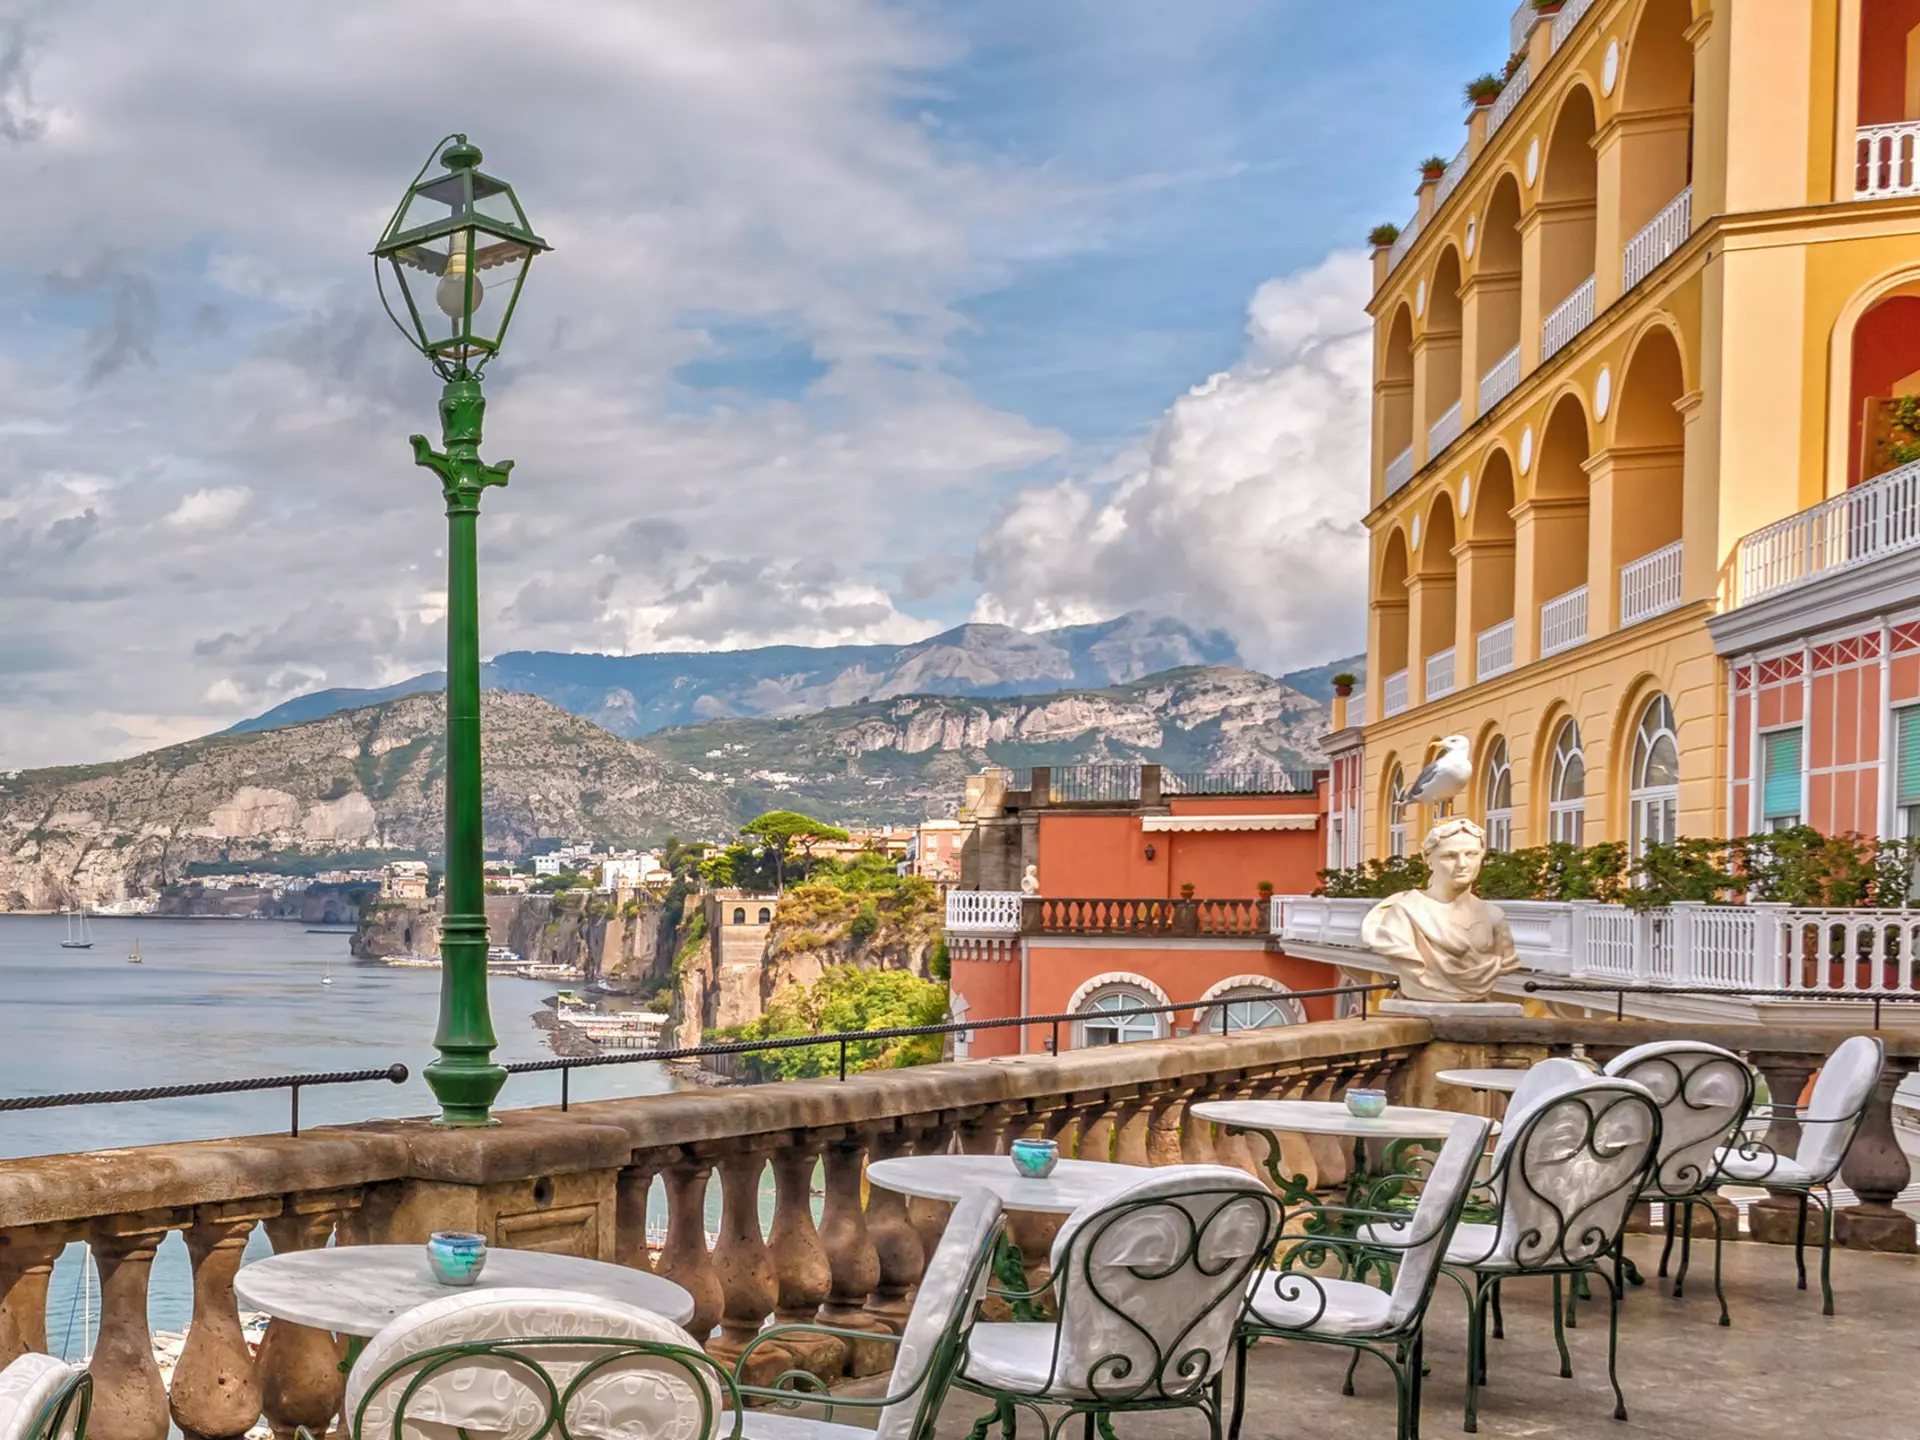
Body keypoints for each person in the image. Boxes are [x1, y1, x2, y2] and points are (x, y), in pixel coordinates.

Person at [1359, 817, 1519, 1003]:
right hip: (1424, 1002)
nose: (1462, 864)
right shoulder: (1405, 913)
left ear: (1481, 856)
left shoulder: (1494, 917)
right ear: (1427, 859)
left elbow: (1507, 961)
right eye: (1449, 856)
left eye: (1471, 854)